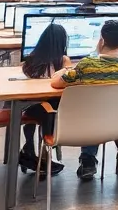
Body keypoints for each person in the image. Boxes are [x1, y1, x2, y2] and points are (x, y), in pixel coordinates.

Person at [51, 19, 118, 182]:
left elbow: (56, 83)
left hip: (85, 125)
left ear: (102, 40)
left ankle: (88, 160)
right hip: (116, 125)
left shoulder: (86, 65)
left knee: (91, 110)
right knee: (108, 108)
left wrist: (66, 69)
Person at [19, 23, 72, 177]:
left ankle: (29, 147)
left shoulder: (30, 61)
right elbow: (67, 80)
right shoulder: (63, 61)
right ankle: (43, 153)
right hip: (53, 109)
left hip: (32, 106)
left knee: (37, 111)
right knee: (49, 111)